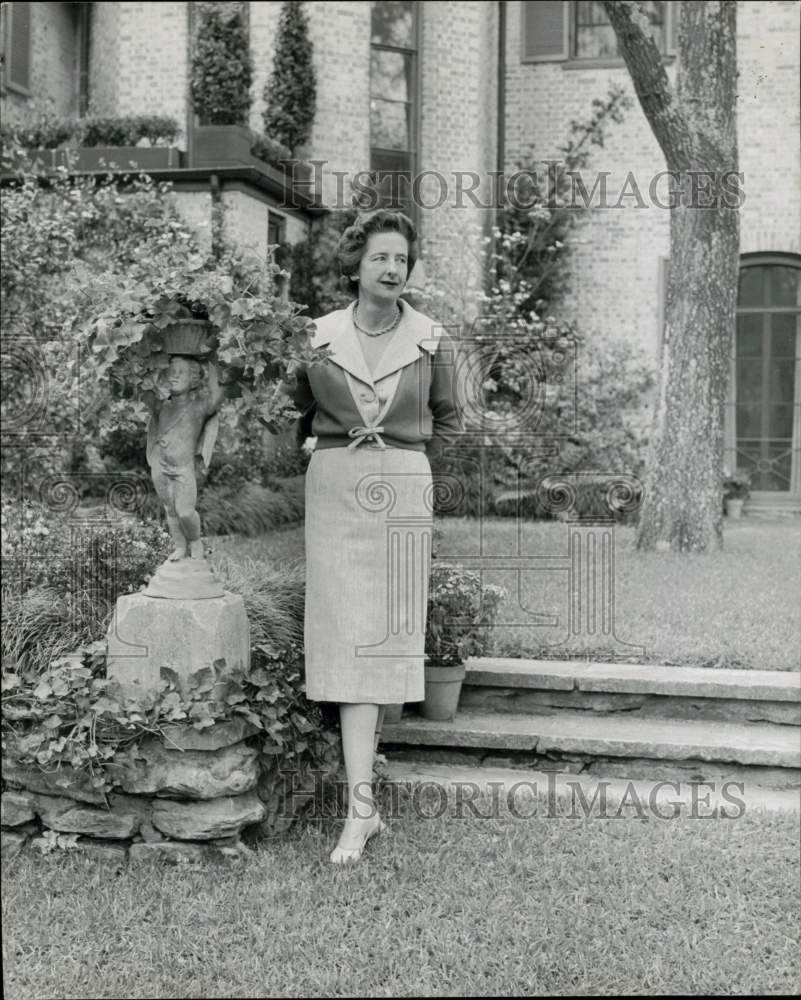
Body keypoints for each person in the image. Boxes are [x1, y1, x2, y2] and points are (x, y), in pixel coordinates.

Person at [289, 209, 462, 863]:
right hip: (333, 487)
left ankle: (360, 810)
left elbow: (449, 419)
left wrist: (405, 463)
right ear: (356, 267)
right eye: (381, 258)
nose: (392, 269)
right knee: (343, 639)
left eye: (401, 259)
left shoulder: (431, 339)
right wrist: (314, 447)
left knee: (379, 641)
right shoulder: (317, 335)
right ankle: (362, 809)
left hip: (400, 492)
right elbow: (288, 407)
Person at [146, 354, 225, 560]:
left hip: (183, 468)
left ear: (194, 379)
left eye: (180, 372)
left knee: (185, 512)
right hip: (160, 466)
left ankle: (195, 541)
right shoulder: (163, 406)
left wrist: (213, 357)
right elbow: (141, 388)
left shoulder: (199, 406)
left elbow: (218, 393)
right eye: (170, 372)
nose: (173, 376)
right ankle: (180, 547)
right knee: (170, 511)